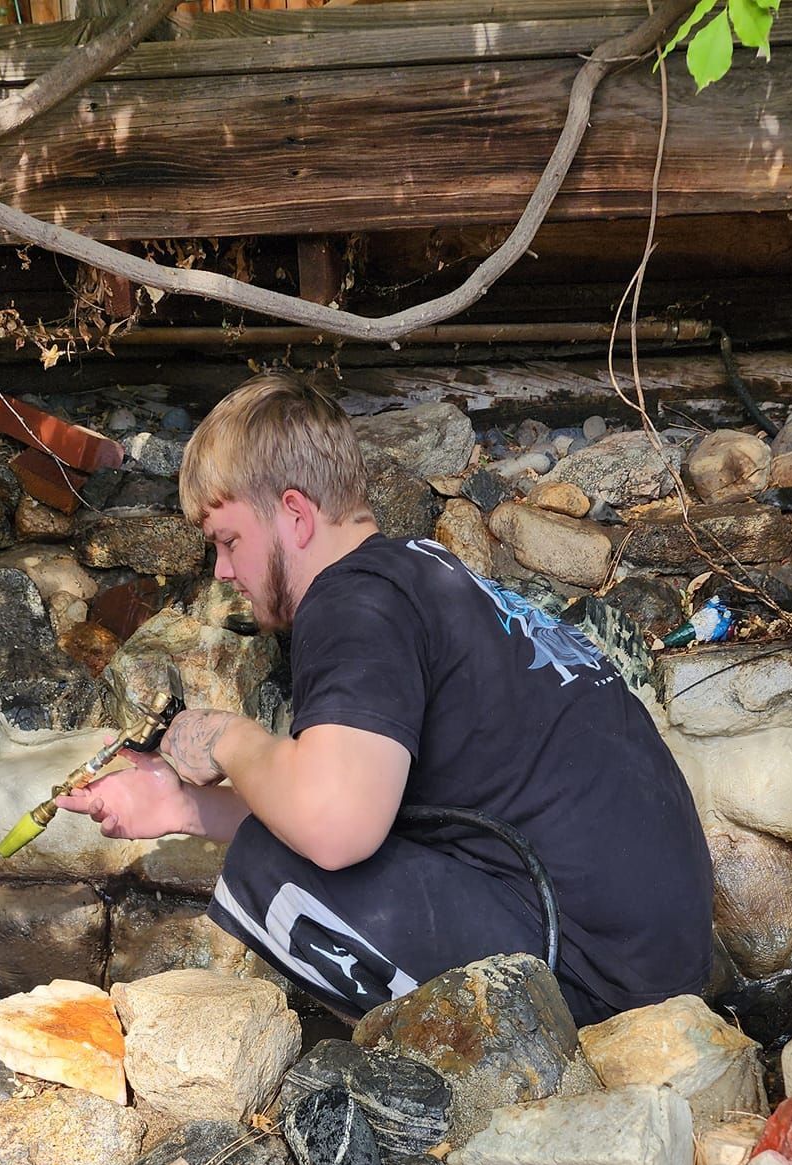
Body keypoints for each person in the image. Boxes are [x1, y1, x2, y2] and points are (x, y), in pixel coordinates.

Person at [59, 372, 714, 1023]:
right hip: (653, 964)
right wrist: (183, 804)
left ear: (294, 513)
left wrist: (227, 737)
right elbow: (376, 807)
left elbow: (334, 828)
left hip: (593, 987)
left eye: (228, 541)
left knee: (273, 872)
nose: (224, 572)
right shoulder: (426, 574)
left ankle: (473, 1087)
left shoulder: (355, 603)